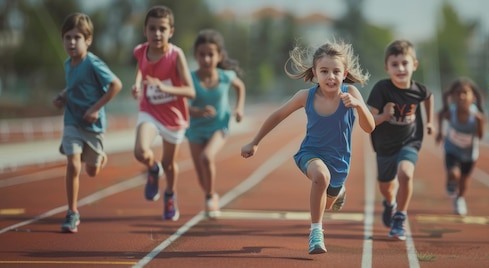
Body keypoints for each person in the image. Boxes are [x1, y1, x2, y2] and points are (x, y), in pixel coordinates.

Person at [241, 40, 375, 254]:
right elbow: (278, 116)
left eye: (335, 71)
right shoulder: (306, 96)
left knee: (327, 201)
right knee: (321, 177)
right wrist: (255, 141)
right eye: (324, 71)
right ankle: (316, 233)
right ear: (315, 73)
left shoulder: (351, 93)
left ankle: (338, 192)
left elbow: (369, 127)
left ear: (344, 73)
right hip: (310, 154)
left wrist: (359, 106)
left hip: (339, 163)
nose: (330, 76)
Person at [52, 12, 123, 233]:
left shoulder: (93, 63)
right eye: (68, 37)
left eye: (77, 38)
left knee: (92, 172)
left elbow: (116, 85)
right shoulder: (67, 64)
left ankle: (98, 159)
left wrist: (95, 109)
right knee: (73, 164)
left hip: (93, 126)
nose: (72, 42)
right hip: (72, 120)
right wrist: (63, 95)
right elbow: (74, 86)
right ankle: (72, 212)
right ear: (63, 39)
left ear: (88, 40)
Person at [131, 5, 195, 221]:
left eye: (162, 29)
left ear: (171, 32)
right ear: (145, 31)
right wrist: (137, 84)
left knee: (169, 164)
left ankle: (169, 194)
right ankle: (152, 168)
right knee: (140, 151)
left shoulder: (176, 55)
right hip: (149, 110)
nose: (157, 33)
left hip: (173, 117)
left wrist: (165, 87)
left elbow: (190, 90)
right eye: (152, 29)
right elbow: (141, 67)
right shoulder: (140, 51)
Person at [366, 39, 433, 241]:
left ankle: (400, 217)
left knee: (405, 174)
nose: (400, 68)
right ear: (387, 67)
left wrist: (430, 122)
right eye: (395, 64)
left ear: (414, 65)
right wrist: (384, 116)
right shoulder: (381, 89)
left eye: (405, 63)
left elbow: (429, 97)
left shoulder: (418, 89)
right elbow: (368, 121)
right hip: (385, 145)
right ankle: (390, 203)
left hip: (410, 141)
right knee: (386, 187)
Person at [186, 29, 246, 219]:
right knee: (201, 179)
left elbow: (240, 86)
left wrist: (239, 108)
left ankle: (211, 198)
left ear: (218, 56)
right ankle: (209, 192)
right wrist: (197, 111)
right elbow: (180, 105)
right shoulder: (190, 79)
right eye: (202, 54)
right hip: (195, 129)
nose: (206, 59)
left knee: (206, 158)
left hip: (219, 127)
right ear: (196, 55)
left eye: (210, 54)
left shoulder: (225, 76)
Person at [435, 78, 486, 216]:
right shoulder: (451, 112)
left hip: (469, 154)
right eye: (457, 93)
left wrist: (480, 123)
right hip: (452, 150)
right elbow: (440, 114)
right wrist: (440, 132)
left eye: (465, 93)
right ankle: (450, 182)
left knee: (464, 181)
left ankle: (460, 199)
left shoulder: (476, 116)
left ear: (473, 97)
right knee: (454, 173)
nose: (461, 96)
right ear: (453, 96)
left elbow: (480, 136)